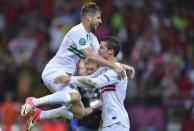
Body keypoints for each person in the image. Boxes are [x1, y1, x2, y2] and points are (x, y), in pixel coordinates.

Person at [20, 2, 134, 131]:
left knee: (80, 113)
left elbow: (101, 59)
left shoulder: (93, 38)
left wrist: (122, 66)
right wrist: (116, 67)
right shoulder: (77, 31)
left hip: (67, 74)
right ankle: (33, 102)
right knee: (75, 96)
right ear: (88, 17)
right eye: (98, 17)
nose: (100, 21)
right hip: (55, 70)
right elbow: (90, 56)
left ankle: (40, 115)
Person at [54, 36, 131, 131]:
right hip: (107, 122)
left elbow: (93, 83)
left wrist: (69, 79)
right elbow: (89, 78)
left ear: (111, 51)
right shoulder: (105, 69)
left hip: (117, 122)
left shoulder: (116, 72)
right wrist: (69, 79)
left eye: (101, 47)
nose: (98, 50)